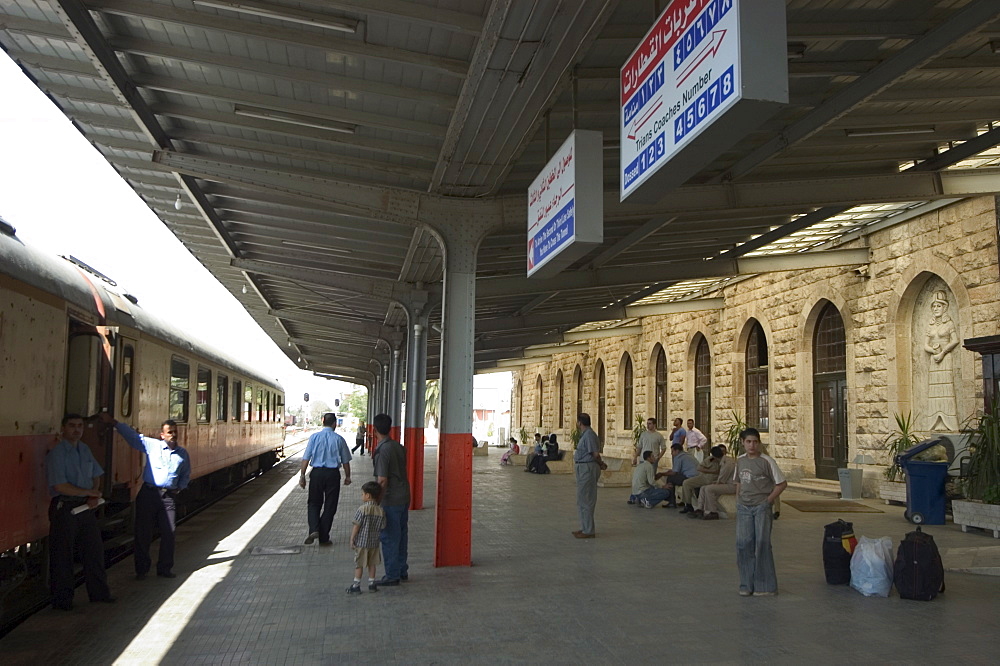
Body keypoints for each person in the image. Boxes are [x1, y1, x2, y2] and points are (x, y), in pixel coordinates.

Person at [101, 413, 191, 579]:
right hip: (149, 493)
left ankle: (164, 568)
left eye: (175, 432)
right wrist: (114, 423)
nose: (173, 435)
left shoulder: (182, 454)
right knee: (143, 532)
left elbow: (186, 474)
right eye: (170, 432)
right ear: (162, 435)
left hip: (168, 497)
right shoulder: (153, 446)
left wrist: (181, 487)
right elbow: (133, 437)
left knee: (169, 532)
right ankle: (141, 570)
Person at [46, 414, 114, 609]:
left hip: (85, 507)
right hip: (65, 507)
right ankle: (62, 601)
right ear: (63, 428)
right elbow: (59, 486)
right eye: (72, 426)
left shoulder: (84, 449)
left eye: (80, 426)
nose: (77, 430)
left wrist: (93, 495)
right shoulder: (57, 454)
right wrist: (88, 493)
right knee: (63, 556)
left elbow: (96, 474)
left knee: (94, 551)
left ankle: (99, 593)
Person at [735, 427, 787, 597]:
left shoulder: (767, 461)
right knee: (743, 544)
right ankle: (746, 584)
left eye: (755, 442)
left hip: (761, 507)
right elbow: (738, 482)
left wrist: (768, 501)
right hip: (744, 507)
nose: (752, 445)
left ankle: (765, 585)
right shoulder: (740, 461)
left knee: (762, 543)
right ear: (743, 443)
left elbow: (781, 484)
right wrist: (738, 500)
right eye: (748, 442)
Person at [299, 412, 353, 546]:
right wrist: (347, 476)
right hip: (332, 475)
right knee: (330, 505)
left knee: (313, 503)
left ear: (323, 421)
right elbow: (345, 461)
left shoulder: (314, 437)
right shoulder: (339, 439)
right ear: (335, 424)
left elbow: (306, 457)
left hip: (316, 474)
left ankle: (314, 529)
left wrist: (302, 476)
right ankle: (323, 537)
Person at [372, 412, 411, 585]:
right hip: (403, 496)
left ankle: (392, 575)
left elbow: (382, 479)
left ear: (375, 430)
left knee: (389, 537)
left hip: (391, 499)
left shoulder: (383, 450)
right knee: (401, 536)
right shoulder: (398, 446)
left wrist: (376, 501)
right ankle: (402, 570)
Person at [347, 481, 386, 595]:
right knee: (372, 564)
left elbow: (356, 525)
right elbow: (383, 526)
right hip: (374, 543)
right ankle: (371, 584)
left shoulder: (362, 509)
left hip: (362, 543)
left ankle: (356, 585)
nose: (362, 496)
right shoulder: (381, 510)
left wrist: (352, 538)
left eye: (362, 494)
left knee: (359, 564)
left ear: (368, 495)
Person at [572, 413, 606, 538]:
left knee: (586, 499)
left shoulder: (589, 435)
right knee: (581, 499)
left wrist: (601, 463)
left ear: (580, 422)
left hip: (588, 468)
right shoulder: (585, 435)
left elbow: (595, 454)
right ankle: (584, 527)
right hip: (583, 467)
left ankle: (589, 530)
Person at [642, 442, 698, 508]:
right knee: (673, 477)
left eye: (672, 451)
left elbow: (674, 472)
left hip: (689, 477)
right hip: (697, 476)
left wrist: (662, 474)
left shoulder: (678, 457)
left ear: (677, 451)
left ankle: (671, 501)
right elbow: (676, 470)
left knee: (671, 478)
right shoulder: (688, 455)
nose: (671, 453)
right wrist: (666, 472)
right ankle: (683, 500)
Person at [691, 445, 737, 520]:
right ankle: (700, 509)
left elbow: (722, 480)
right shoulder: (723, 461)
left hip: (732, 485)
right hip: (726, 483)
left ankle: (713, 512)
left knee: (709, 489)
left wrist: (714, 483)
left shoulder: (727, 463)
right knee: (703, 488)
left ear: (714, 456)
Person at [679, 444, 722, 513]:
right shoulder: (710, 459)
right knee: (686, 483)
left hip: (712, 480)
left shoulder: (725, 461)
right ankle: (688, 504)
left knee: (704, 488)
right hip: (704, 477)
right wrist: (712, 471)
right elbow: (699, 468)